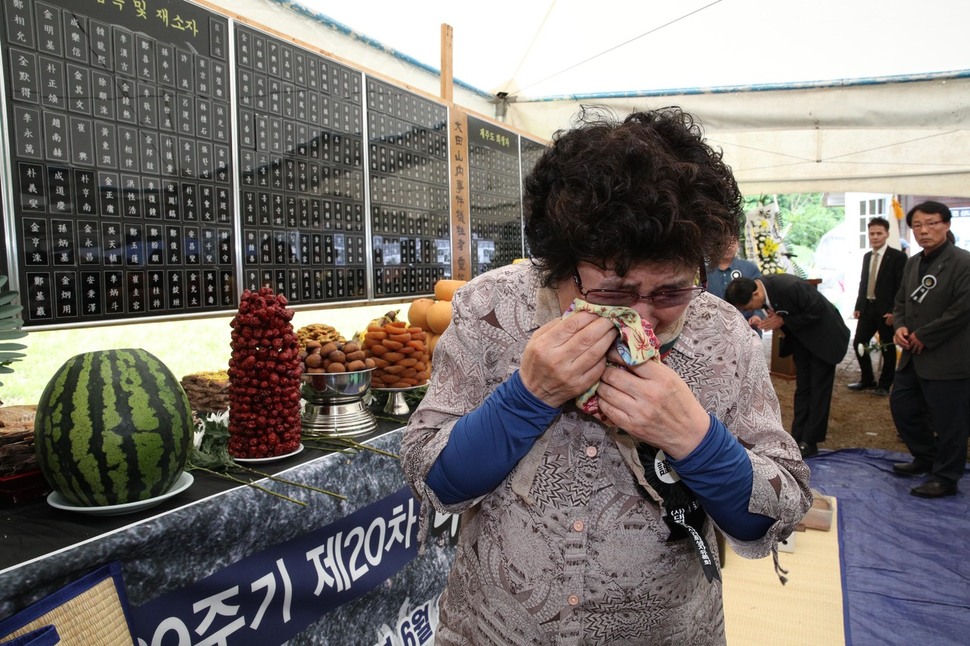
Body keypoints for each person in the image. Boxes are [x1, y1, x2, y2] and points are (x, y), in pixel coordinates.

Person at [401, 107, 811, 644]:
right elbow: (431, 479)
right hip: (498, 627)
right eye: (613, 293)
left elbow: (774, 515)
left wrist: (693, 438)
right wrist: (528, 397)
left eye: (669, 292)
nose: (641, 319)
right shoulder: (490, 309)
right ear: (558, 262)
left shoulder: (723, 334)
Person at [890, 200, 970, 498]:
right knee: (903, 406)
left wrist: (925, 334)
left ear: (947, 225)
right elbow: (901, 302)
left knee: (950, 420)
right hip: (912, 354)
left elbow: (962, 309)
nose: (924, 231)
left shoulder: (963, 262)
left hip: (947, 356)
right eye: (918, 226)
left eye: (932, 223)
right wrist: (899, 325)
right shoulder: (912, 262)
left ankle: (946, 477)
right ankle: (925, 456)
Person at [724, 274, 849, 458]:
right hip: (804, 341)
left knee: (819, 391)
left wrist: (783, 321)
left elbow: (818, 311)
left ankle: (810, 440)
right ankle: (797, 436)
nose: (748, 311)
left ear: (756, 294)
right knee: (803, 388)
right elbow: (783, 312)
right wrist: (769, 321)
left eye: (747, 308)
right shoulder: (764, 291)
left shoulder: (789, 286)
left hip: (825, 339)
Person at [848, 217, 907, 396]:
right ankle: (867, 379)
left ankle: (884, 385)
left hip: (887, 311)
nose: (875, 237)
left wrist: (895, 311)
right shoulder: (867, 256)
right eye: (872, 233)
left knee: (887, 347)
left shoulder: (898, 257)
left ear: (887, 234)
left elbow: (901, 286)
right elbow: (863, 282)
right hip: (868, 308)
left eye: (879, 233)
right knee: (859, 343)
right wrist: (859, 305)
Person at [706, 237, 766, 334]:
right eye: (723, 243)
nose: (728, 247)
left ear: (738, 244)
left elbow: (762, 295)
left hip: (747, 329)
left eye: (732, 243)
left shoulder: (750, 268)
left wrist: (757, 315)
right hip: (715, 331)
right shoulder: (705, 272)